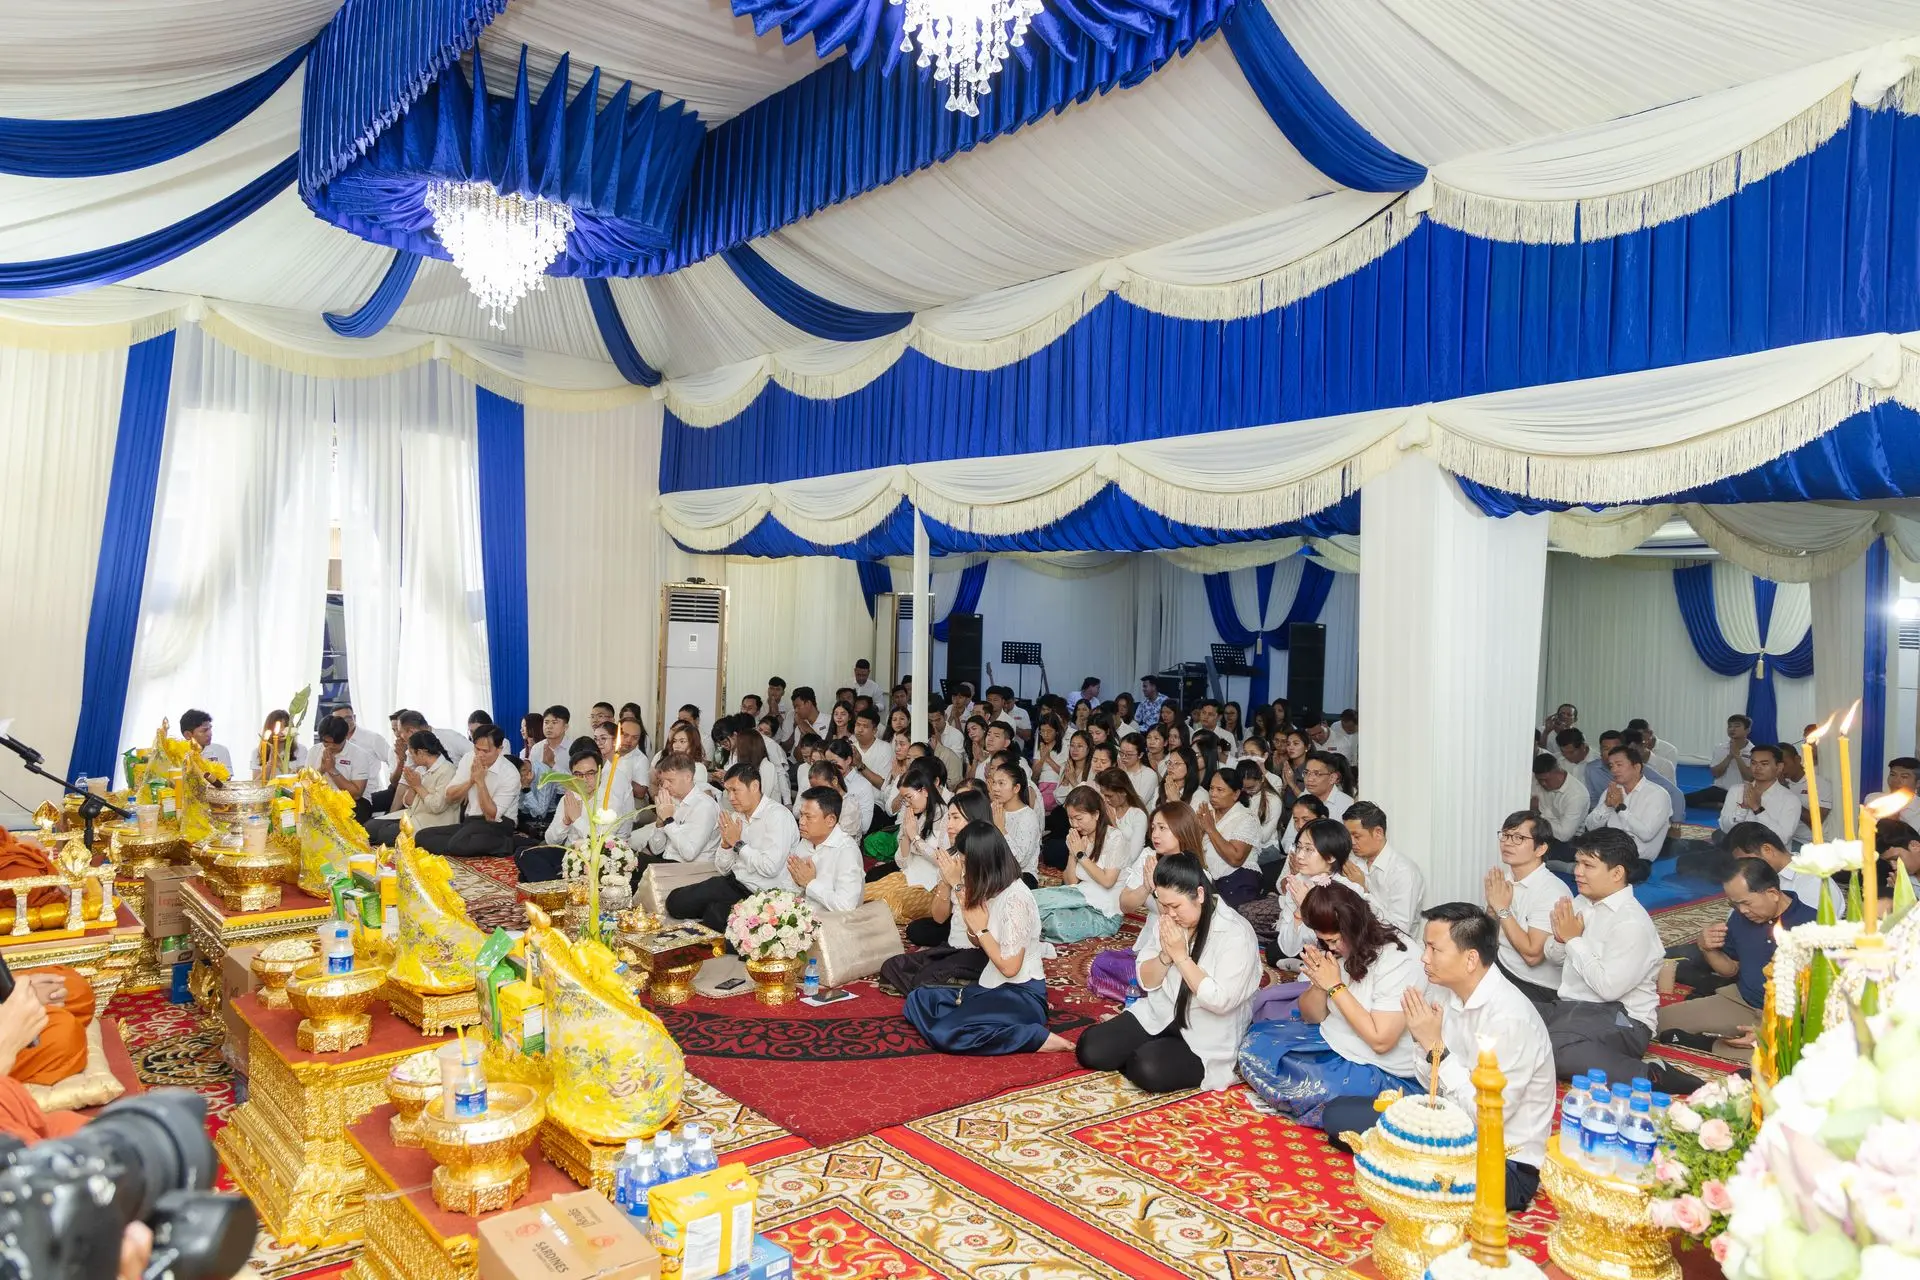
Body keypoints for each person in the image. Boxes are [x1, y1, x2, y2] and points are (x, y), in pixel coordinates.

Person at [1322, 904, 1555, 1212]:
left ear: (1470, 959)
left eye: (1434, 949)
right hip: (1446, 1125)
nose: (1424, 958)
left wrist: (1437, 1049)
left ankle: (1411, 1167)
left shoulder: (1510, 1019)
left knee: (1387, 1151)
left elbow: (1487, 1118)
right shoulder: (1448, 994)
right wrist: (1423, 1044)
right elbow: (1428, 1082)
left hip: (1500, 1163)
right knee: (1338, 1115)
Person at [1237, 883, 1424, 1127]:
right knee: (1255, 1042)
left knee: (1316, 1088)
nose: (1331, 947)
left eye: (1333, 940)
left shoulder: (1398, 958)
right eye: (1324, 941)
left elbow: (1381, 1041)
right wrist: (1319, 983)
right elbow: (1312, 1017)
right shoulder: (1341, 947)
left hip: (1378, 1067)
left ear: (1351, 928)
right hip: (1333, 1040)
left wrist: (1335, 986)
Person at [1077, 852, 1260, 1092]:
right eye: (1164, 906)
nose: (1170, 913)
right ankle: (1145, 1050)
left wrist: (1181, 957)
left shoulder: (1236, 934)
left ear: (1200, 895)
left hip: (1206, 1031)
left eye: (1176, 906)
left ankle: (1149, 1054)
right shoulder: (1169, 918)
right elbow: (1146, 980)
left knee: (1147, 1068)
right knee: (1090, 1048)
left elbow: (1220, 1001)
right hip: (1161, 1012)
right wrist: (1165, 955)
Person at [903, 821, 1073, 1057]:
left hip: (1020, 994)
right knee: (918, 999)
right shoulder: (989, 887)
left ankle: (1033, 1037)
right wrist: (966, 905)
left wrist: (981, 928)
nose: (962, 867)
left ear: (981, 862)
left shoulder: (1016, 899)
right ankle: (977, 1022)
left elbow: (1010, 968)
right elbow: (976, 941)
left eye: (965, 862)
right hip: (989, 986)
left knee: (944, 1033)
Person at [1538, 829, 1674, 1089]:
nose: (1577, 871)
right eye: (1578, 863)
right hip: (1571, 1009)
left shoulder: (1631, 922)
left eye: (1588, 865)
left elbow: (1609, 989)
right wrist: (1560, 939)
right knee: (1508, 1016)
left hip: (1623, 1019)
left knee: (1551, 1048)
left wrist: (1573, 940)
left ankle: (1651, 1075)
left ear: (1617, 873)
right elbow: (1554, 959)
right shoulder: (1581, 902)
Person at [1652, 859, 1812, 1061]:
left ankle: (1706, 1044)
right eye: (1734, 904)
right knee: (1655, 1022)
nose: (1742, 910)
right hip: (1742, 1002)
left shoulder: (1814, 925)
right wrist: (1707, 949)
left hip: (1791, 1018)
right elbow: (1730, 969)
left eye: (1746, 903)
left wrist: (1775, 1028)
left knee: (1793, 1058)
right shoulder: (1741, 917)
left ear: (1772, 893)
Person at [663, 763, 802, 935]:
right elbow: (723, 868)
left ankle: (721, 915)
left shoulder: (777, 816)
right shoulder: (737, 816)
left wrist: (738, 844)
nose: (730, 797)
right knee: (675, 902)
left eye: (735, 790)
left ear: (754, 786)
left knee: (715, 917)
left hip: (762, 894)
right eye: (728, 791)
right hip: (734, 883)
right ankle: (719, 912)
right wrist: (726, 845)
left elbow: (770, 868)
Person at [1086, 802, 1203, 1001]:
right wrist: (1146, 887)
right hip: (1147, 946)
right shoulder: (1149, 857)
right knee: (1102, 961)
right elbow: (1124, 904)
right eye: (1153, 828)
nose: (1155, 834)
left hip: (1178, 951)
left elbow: (1175, 919)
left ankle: (1153, 990)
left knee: (1123, 970)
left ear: (1181, 830)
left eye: (1162, 828)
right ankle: (1147, 988)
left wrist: (1157, 890)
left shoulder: (1193, 870)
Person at [1484, 812, 1572, 1003]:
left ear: (1540, 849)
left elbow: (1532, 956)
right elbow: (1490, 935)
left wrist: (1502, 909)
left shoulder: (1551, 891)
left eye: (1518, 838)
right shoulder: (1506, 878)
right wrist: (1492, 911)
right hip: (1502, 964)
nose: (1508, 843)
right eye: (1505, 835)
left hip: (1535, 985)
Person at [1034, 786, 1135, 942]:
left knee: (1055, 924)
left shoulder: (1115, 838)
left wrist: (1081, 855)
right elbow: (1071, 882)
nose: (1074, 824)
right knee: (1031, 900)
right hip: (1079, 897)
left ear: (1096, 814)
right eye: (1070, 818)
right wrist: (1072, 854)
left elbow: (1107, 881)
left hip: (1104, 912)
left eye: (1079, 818)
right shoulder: (1078, 838)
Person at [1270, 817, 1368, 959]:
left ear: (1331, 856)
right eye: (1299, 847)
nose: (1300, 856)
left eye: (1309, 849)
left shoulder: (1349, 890)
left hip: (1344, 961)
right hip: (1311, 955)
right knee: (1275, 952)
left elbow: (1352, 945)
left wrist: (1307, 905)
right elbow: (1288, 949)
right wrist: (1299, 910)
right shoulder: (1298, 885)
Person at [415, 724, 521, 857]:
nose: (480, 755)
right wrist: (471, 780)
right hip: (472, 821)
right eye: (477, 749)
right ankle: (464, 844)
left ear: (499, 749)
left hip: (499, 823)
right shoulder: (468, 758)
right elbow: (449, 796)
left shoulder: (510, 773)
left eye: (486, 751)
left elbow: (491, 816)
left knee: (458, 843)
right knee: (422, 836)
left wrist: (480, 782)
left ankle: (508, 843)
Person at [864, 762, 946, 926]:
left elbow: (942, 861)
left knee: (889, 903)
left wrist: (915, 837)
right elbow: (902, 862)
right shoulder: (913, 815)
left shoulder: (945, 816)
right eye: (904, 799)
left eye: (909, 797)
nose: (907, 803)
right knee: (864, 894)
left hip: (931, 887)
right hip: (907, 876)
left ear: (924, 791)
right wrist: (907, 837)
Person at [1342, 802, 1426, 937]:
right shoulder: (1353, 861)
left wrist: (1364, 891)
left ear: (1378, 833)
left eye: (1356, 836)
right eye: (1348, 836)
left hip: (1394, 944)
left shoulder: (1403, 872)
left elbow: (1400, 929)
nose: (1351, 842)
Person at [632, 754, 722, 878]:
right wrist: (660, 823)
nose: (665, 786)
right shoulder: (673, 801)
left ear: (688, 777)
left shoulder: (705, 806)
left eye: (670, 780)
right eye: (663, 781)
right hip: (669, 862)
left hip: (691, 870)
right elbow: (656, 849)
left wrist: (668, 820)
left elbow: (689, 854)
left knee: (629, 860)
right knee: (625, 856)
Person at [366, 730, 459, 847]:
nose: (410, 757)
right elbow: (408, 802)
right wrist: (412, 785)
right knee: (370, 826)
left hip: (433, 821)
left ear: (420, 752)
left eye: (411, 753)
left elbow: (437, 807)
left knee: (385, 834)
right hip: (413, 815)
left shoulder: (448, 770)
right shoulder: (420, 769)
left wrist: (418, 786)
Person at [1585, 744, 1671, 867]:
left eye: (1619, 765)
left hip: (1637, 859)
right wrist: (1606, 806)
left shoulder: (1657, 794)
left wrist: (1620, 807)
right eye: (1611, 766)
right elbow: (1590, 827)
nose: (1614, 770)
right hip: (1607, 853)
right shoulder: (1612, 791)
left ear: (1636, 767)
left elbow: (1646, 835)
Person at [788, 787, 865, 914]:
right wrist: (798, 882)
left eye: (808, 817)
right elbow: (793, 887)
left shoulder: (846, 851)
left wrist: (810, 883)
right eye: (801, 815)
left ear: (830, 820)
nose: (801, 822)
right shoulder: (805, 841)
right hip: (802, 915)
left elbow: (847, 907)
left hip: (835, 923)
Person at [1194, 766, 1263, 905]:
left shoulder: (1247, 818)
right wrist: (1199, 830)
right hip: (1207, 881)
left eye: (1220, 790)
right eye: (1211, 788)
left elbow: (1236, 859)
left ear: (1236, 794)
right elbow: (1194, 850)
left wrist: (1210, 829)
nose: (1213, 794)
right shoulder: (1208, 814)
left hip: (1238, 882)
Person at [1717, 744, 1798, 848]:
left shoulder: (1790, 799)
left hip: (1770, 855)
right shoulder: (1737, 791)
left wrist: (1758, 809)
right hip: (1737, 851)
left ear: (1779, 767)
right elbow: (1725, 828)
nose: (1758, 768)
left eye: (1764, 764)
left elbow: (1783, 839)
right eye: (1753, 763)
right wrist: (1742, 809)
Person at [314, 714, 377, 823]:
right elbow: (307, 784)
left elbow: (356, 794)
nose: (330, 746)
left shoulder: (359, 754)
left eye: (336, 743)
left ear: (345, 737)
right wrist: (322, 770)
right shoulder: (314, 751)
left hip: (353, 802)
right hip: (323, 799)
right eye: (326, 742)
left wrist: (332, 770)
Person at [988, 758, 1042, 885]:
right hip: (995, 871)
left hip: (1020, 875)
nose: (995, 788)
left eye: (1001, 783)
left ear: (1016, 788)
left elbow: (1020, 861)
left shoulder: (1028, 816)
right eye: (994, 783)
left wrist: (1001, 829)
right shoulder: (993, 807)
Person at [1530, 752, 1588, 858]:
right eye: (1539, 780)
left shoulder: (1577, 795)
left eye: (1546, 780)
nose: (1543, 784)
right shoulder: (1538, 782)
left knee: (1535, 855)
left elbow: (1564, 835)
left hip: (1568, 841)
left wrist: (1538, 814)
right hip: (1542, 831)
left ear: (1558, 772)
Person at [1691, 714, 1755, 808]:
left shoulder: (1754, 751)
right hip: (1719, 790)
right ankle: (1723, 805)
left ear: (1747, 730)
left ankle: (1729, 805)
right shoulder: (1720, 748)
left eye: (1737, 726)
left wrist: (1737, 757)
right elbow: (1716, 774)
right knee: (1685, 800)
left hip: (1742, 792)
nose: (1732, 729)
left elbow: (1749, 778)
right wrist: (1729, 756)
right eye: (1730, 726)